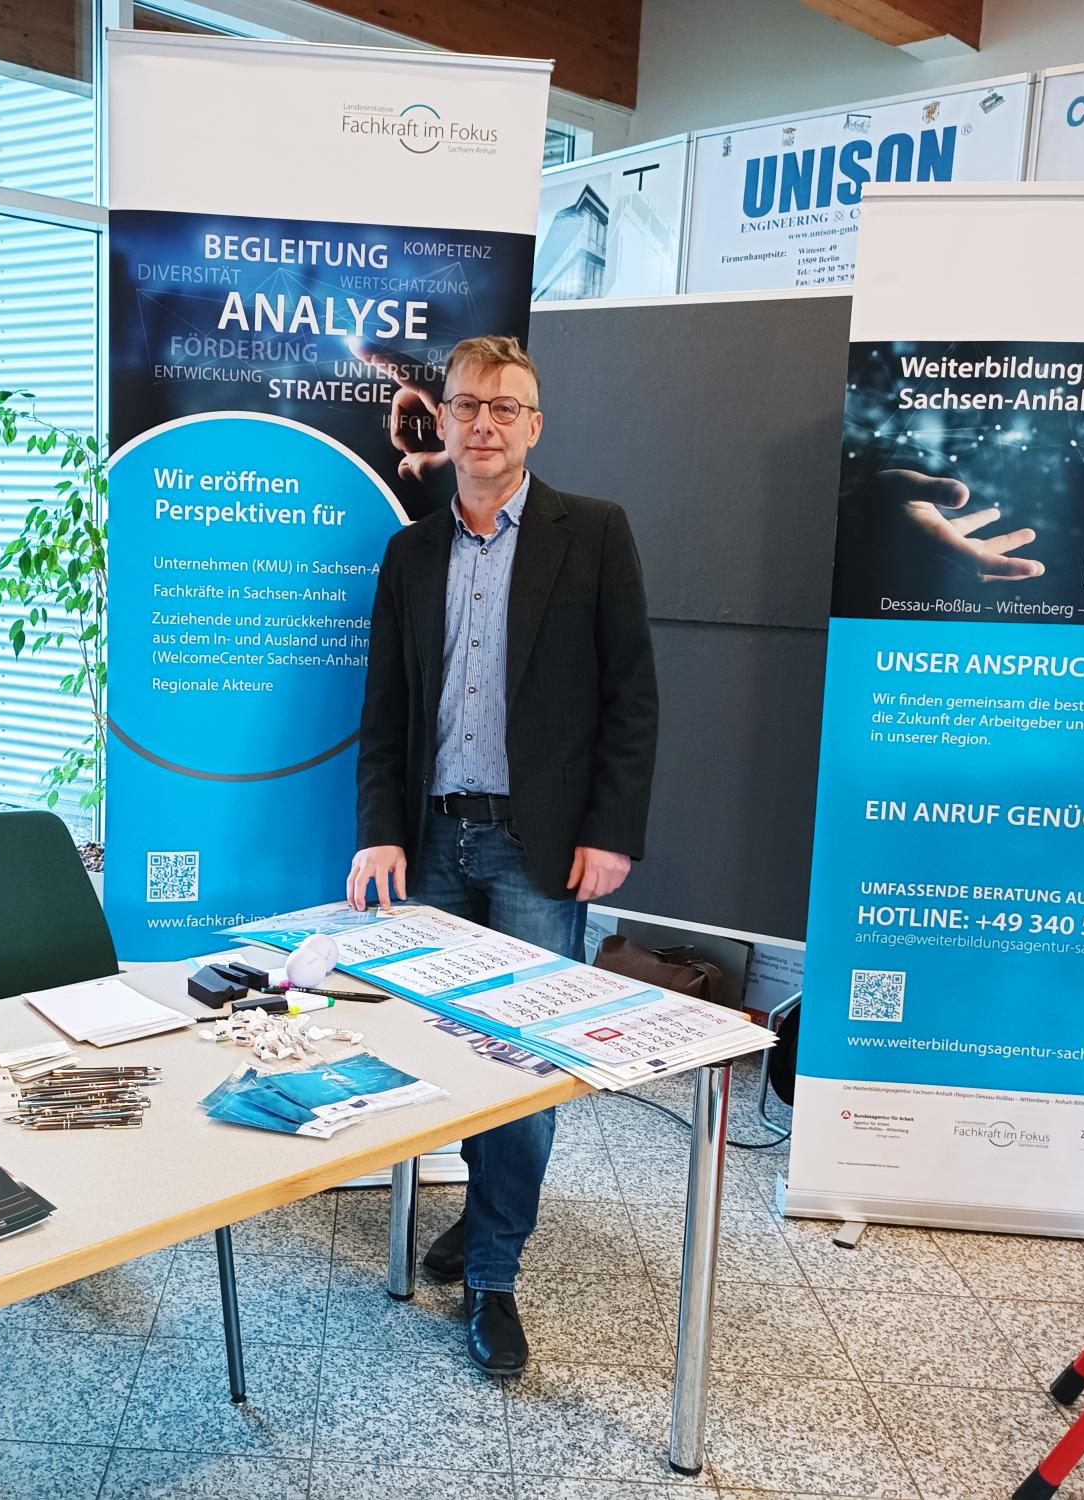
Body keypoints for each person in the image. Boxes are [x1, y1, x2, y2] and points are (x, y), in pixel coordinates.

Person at [347, 333, 658, 1377]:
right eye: (467, 404)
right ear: (441, 418)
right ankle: (485, 1220)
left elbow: (631, 698)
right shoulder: (409, 554)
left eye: (505, 407)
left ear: (534, 424)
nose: (483, 423)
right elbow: (383, 709)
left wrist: (611, 830)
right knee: (443, 1056)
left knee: (523, 1063)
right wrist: (377, 830)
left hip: (538, 850)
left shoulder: (595, 534)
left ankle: (492, 1273)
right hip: (432, 840)